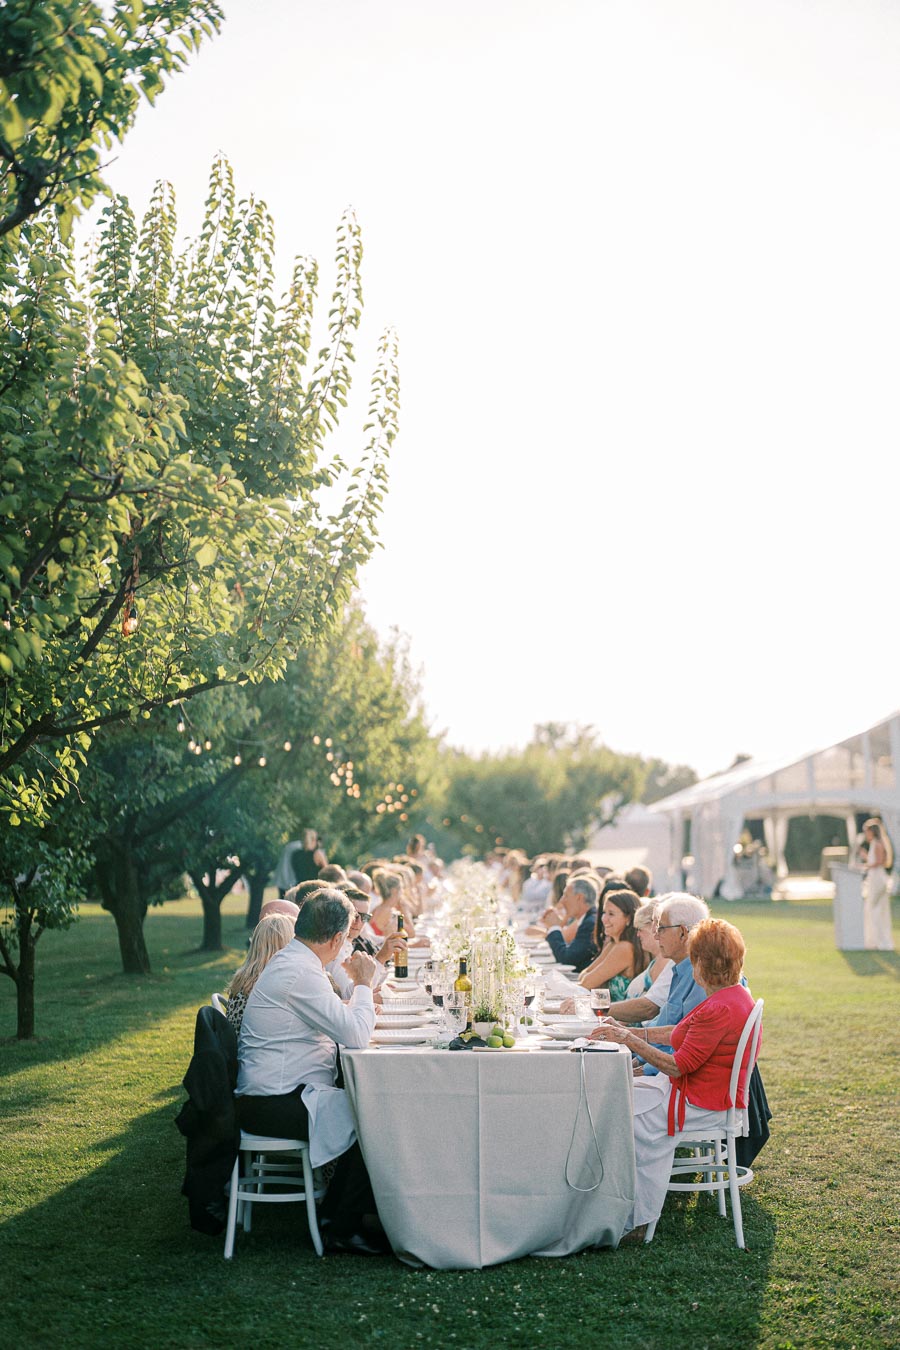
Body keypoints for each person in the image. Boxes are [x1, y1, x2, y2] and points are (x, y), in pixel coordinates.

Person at [235, 889, 383, 1254]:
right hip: (272, 1104)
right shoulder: (299, 973)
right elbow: (356, 1035)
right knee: (377, 1115)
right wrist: (363, 984)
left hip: (277, 1094)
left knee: (373, 1107)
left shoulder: (295, 963)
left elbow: (342, 1024)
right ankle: (341, 1225)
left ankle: (344, 1216)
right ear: (336, 939)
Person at [594, 917, 757, 1240]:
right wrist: (631, 1031)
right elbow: (681, 1033)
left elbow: (677, 1066)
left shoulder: (718, 1008)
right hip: (698, 1092)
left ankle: (637, 1218)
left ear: (702, 964)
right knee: (614, 1097)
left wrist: (629, 1041)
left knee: (620, 1117)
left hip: (702, 1101)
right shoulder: (730, 995)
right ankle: (618, 1205)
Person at [225, 914, 295, 1032]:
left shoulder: (243, 977)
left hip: (238, 1046)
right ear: (286, 943)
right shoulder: (274, 984)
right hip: (259, 1047)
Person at [576, 888, 646, 999]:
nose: (604, 919)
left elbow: (587, 982)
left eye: (611, 914)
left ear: (628, 918)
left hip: (619, 1015)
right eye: (604, 913)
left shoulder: (625, 948)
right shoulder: (614, 944)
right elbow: (583, 976)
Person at [539, 873, 600, 972]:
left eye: (566, 896)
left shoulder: (590, 923)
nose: (562, 901)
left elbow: (567, 959)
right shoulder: (587, 918)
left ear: (579, 898)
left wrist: (554, 927)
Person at [623, 901, 673, 1003]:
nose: (638, 935)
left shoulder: (666, 961)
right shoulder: (657, 960)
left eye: (640, 929)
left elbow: (650, 1006)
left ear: (654, 926)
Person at [861, 818, 894, 951]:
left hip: (878, 879)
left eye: (867, 832)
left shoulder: (877, 844)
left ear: (872, 832)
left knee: (876, 909)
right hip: (874, 877)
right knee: (873, 908)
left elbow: (879, 862)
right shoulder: (875, 844)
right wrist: (865, 857)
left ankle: (880, 940)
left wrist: (865, 864)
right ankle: (874, 939)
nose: (866, 835)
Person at [273, 829, 326, 897]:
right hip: (315, 889)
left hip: (301, 888)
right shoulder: (318, 854)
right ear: (313, 840)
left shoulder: (295, 854)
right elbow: (328, 871)